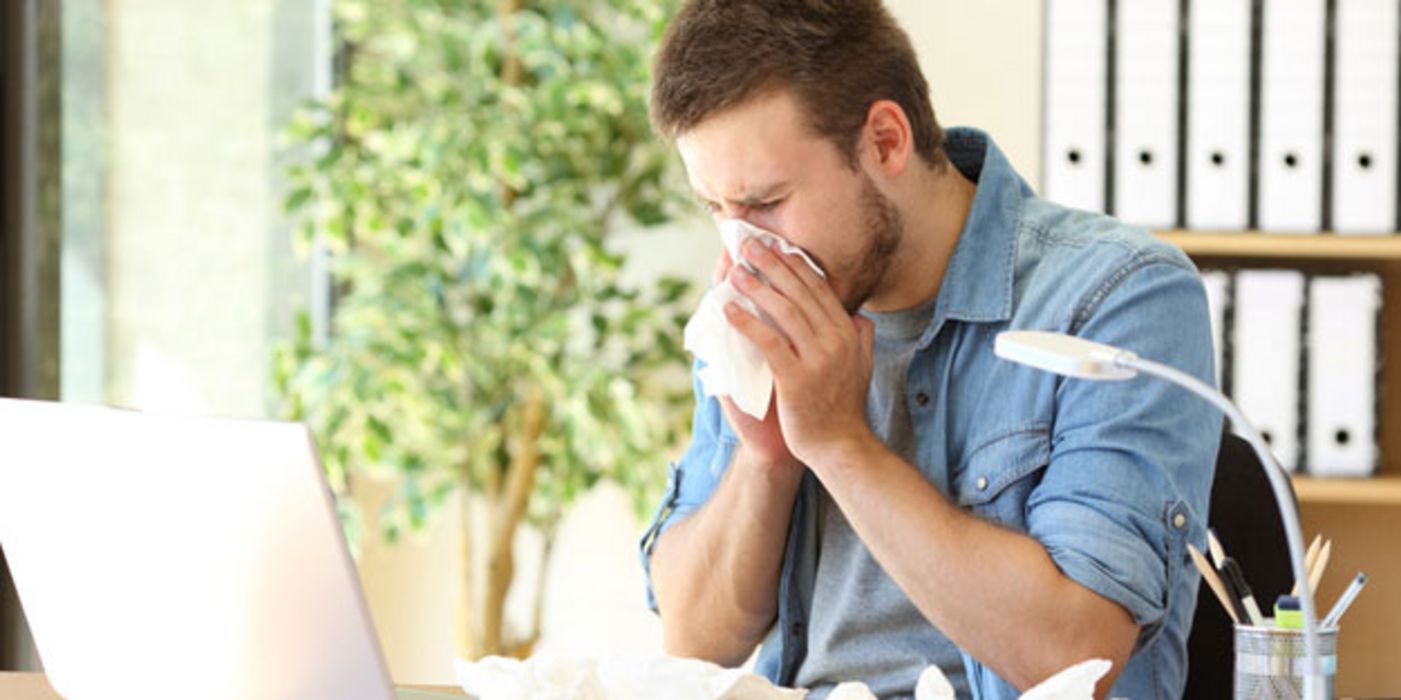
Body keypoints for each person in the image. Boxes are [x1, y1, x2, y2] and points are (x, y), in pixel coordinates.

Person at [637, 2, 1220, 698]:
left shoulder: (1115, 297)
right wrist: (766, 460)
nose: (746, 251)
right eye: (717, 210)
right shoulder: (762, 301)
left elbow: (1074, 657)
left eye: (765, 203)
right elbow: (694, 641)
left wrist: (838, 443)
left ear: (884, 140)